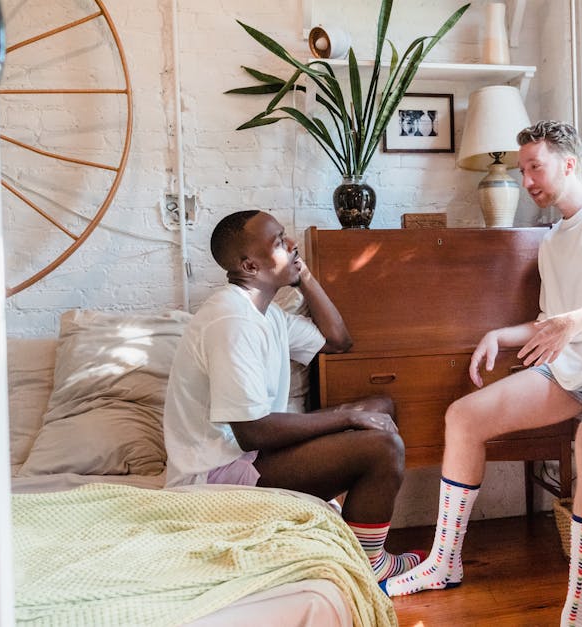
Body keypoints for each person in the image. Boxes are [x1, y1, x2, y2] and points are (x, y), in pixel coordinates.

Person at [381, 121, 582, 626]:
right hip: (570, 370)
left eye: (536, 166)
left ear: (569, 163)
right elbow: (548, 323)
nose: (528, 179)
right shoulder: (553, 241)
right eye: (523, 169)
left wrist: (573, 322)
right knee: (464, 416)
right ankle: (443, 563)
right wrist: (501, 336)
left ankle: (578, 612)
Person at [163, 209, 425, 582]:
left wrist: (304, 277)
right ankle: (370, 565)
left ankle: (351, 541)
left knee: (381, 406)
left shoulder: (266, 314)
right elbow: (252, 432)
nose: (291, 245)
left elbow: (338, 342)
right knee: (382, 447)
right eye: (278, 242)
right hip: (213, 478)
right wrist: (348, 416)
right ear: (251, 265)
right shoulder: (231, 320)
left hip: (251, 456)